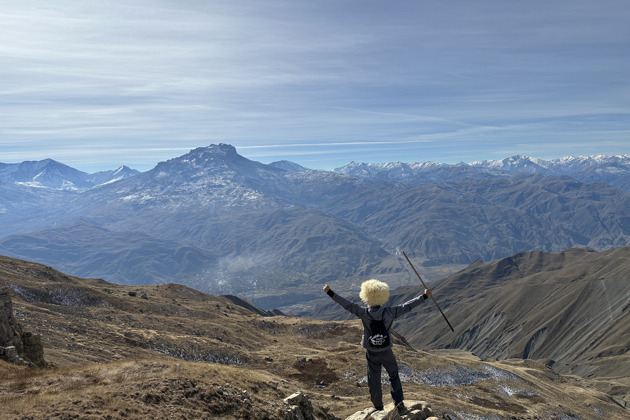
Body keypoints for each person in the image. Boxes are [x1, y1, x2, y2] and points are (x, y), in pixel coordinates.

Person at [323, 279, 431, 414]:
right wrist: (424, 296)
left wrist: (330, 293)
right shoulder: (390, 312)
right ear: (383, 295)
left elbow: (347, 305)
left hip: (371, 352)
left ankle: (378, 408)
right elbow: (407, 306)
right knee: (394, 376)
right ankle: (399, 404)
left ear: (366, 295)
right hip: (387, 352)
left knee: (374, 380)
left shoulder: (363, 313)